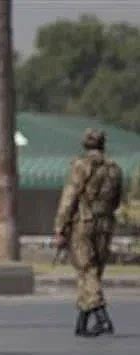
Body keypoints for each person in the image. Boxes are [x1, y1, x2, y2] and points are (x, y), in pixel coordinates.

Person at [54, 129, 122, 337]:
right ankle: (82, 323)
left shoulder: (81, 165)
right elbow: (117, 199)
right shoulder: (114, 168)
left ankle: (103, 319)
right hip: (106, 223)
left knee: (86, 269)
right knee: (94, 271)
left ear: (85, 144)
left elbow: (70, 197)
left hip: (84, 223)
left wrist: (60, 227)